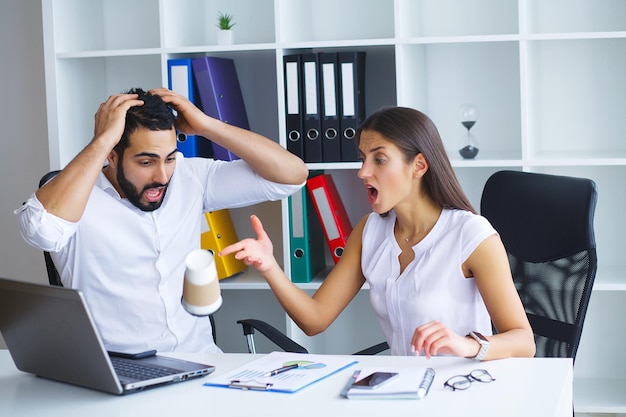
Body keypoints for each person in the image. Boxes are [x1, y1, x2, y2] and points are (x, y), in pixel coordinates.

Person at [220, 106, 536, 360]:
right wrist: (269, 266)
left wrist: (467, 345)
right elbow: (314, 320)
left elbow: (524, 341)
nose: (362, 172)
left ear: (419, 166)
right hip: (402, 393)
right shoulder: (370, 231)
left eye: (379, 159)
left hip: (462, 392)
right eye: (363, 157)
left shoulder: (471, 235)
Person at [15, 87, 308, 353]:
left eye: (169, 158)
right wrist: (101, 140)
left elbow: (291, 176)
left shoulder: (189, 177)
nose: (162, 176)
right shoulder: (75, 200)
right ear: (112, 156)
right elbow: (41, 233)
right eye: (146, 162)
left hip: (201, 363)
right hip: (119, 370)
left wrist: (207, 126)